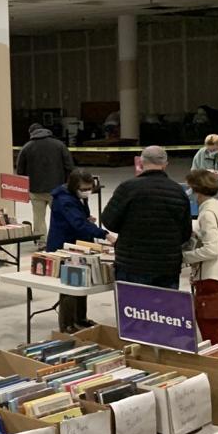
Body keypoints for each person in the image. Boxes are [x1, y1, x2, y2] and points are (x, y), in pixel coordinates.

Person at [102, 146, 192, 289]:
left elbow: (109, 221)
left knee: (134, 308)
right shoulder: (178, 191)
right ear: (165, 164)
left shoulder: (127, 188)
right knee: (164, 310)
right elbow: (186, 232)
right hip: (167, 266)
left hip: (132, 263)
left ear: (141, 162)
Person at [47, 170, 116, 333]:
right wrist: (105, 235)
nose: (87, 191)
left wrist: (87, 218)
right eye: (84, 188)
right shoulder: (64, 199)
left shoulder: (76, 197)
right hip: (64, 245)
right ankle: (67, 324)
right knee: (69, 285)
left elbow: (79, 218)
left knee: (81, 282)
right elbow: (77, 222)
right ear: (74, 186)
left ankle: (80, 319)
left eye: (89, 188)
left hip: (80, 244)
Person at [185, 169, 218, 345]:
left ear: (196, 189)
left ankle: (215, 357)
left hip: (212, 274)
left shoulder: (207, 213)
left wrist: (185, 257)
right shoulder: (216, 207)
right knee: (213, 322)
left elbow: (211, 249)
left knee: (209, 324)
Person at [15, 123, 75, 242]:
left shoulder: (27, 147)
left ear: (31, 133)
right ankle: (62, 240)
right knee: (60, 216)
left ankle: (42, 242)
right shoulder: (59, 145)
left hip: (35, 190)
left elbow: (20, 170)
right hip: (57, 190)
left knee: (38, 218)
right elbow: (70, 166)